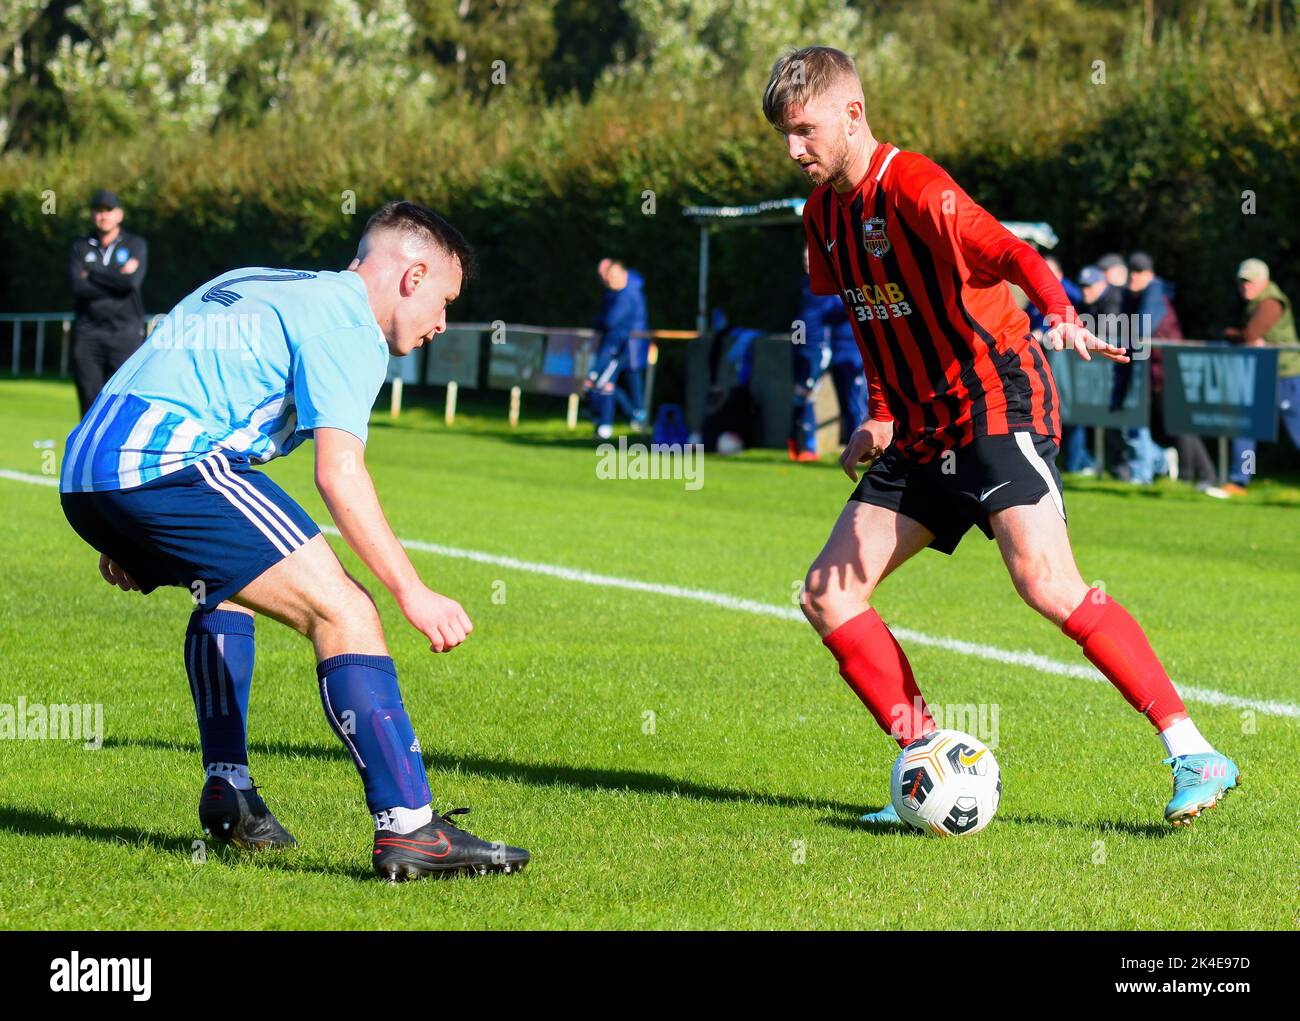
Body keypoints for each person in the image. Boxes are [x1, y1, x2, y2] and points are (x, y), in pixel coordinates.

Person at [763, 45, 1238, 828]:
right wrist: (880, 409)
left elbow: (1013, 252)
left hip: (993, 402)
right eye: (784, 134)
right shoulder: (823, 217)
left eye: (804, 130)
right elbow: (874, 313)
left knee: (1045, 581)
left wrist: (1059, 309)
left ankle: (1193, 749)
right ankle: (923, 760)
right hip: (919, 426)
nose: (793, 150)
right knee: (828, 593)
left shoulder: (914, 184)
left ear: (853, 114)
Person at [59, 201, 530, 881]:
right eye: (444, 299)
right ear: (412, 275)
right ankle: (410, 826)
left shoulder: (265, 281)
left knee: (230, 584)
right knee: (346, 609)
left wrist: (120, 517)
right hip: (159, 466)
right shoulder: (348, 326)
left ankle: (231, 789)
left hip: (92, 467)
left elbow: (169, 367)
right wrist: (412, 591)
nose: (441, 323)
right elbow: (339, 473)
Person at [68, 189, 148, 416]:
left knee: (124, 404)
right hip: (89, 335)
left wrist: (92, 274)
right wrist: (116, 277)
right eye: (98, 211)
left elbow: (129, 283)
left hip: (125, 334)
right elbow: (77, 287)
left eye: (108, 210)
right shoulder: (80, 246)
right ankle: (89, 452)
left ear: (119, 215)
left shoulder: (135, 244)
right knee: (89, 405)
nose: (103, 216)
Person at [1223, 258, 1299, 494]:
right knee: (1248, 427)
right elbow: (1250, 338)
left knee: (1298, 432)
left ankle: (1239, 479)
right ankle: (1240, 480)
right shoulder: (1252, 302)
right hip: (1263, 374)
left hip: (1286, 375)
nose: (1246, 286)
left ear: (1264, 281)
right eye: (1243, 282)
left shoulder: (1271, 303)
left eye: (1251, 282)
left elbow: (1249, 335)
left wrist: (1232, 334)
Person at [791, 245, 868, 461]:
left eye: (811, 258)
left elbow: (839, 312)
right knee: (814, 397)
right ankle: (807, 446)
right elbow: (809, 318)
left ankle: (864, 450)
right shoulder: (808, 286)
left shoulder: (841, 286)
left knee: (856, 403)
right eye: (804, 258)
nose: (807, 262)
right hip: (827, 351)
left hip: (847, 353)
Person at [1114, 252, 1177, 484]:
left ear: (1150, 274)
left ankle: (1144, 474)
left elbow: (1141, 327)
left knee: (1136, 423)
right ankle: (1160, 460)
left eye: (1139, 272)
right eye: (1132, 271)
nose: (1134, 276)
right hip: (1142, 367)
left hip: (1159, 369)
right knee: (1131, 424)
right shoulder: (1132, 295)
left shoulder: (1154, 293)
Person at [1033, 257, 1092, 474]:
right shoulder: (1036, 290)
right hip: (1050, 362)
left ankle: (1080, 463)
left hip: (1070, 362)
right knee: (1057, 411)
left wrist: (1046, 332)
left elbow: (1076, 320)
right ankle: (1079, 462)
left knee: (1071, 412)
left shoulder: (1070, 293)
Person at [585, 258, 647, 439]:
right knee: (607, 383)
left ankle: (615, 423)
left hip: (625, 348)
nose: (607, 280)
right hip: (619, 347)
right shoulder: (618, 293)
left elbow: (611, 321)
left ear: (623, 274)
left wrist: (599, 321)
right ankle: (610, 423)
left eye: (611, 276)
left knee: (605, 382)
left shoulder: (627, 295)